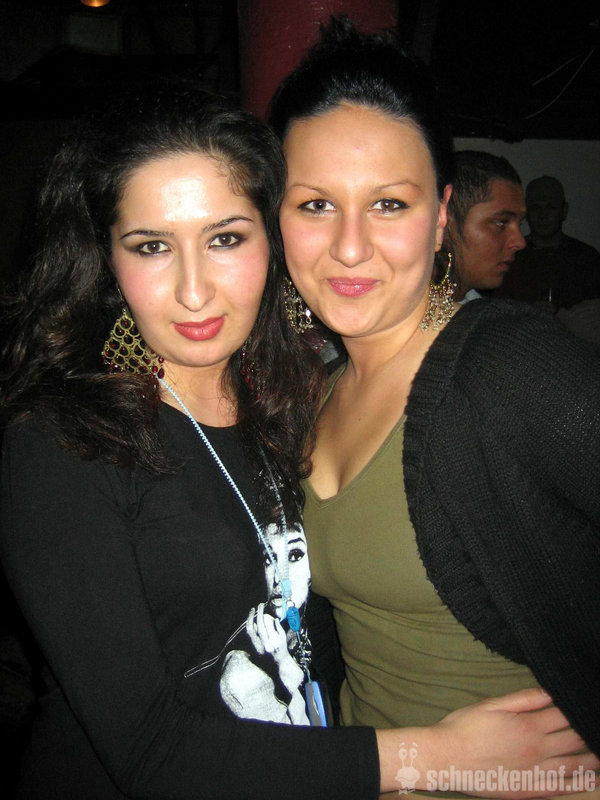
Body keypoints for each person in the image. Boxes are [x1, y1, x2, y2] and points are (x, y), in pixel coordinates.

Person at [0, 81, 582, 800]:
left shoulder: (286, 401)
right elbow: (147, 752)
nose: (193, 291)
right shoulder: (63, 440)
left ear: (270, 241)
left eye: (225, 239)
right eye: (151, 246)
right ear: (107, 261)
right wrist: (432, 757)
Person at [270, 16, 600, 779]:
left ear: (442, 213)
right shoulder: (317, 390)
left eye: (389, 204)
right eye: (315, 204)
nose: (350, 246)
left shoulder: (510, 366)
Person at [497, 174, 600, 309]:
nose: (543, 215)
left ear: (563, 211)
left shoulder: (585, 258)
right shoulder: (510, 258)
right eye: (536, 208)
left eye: (551, 207)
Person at [439, 150, 526, 302]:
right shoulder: (398, 310)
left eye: (520, 224)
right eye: (501, 223)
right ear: (444, 221)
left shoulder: (488, 314)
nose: (520, 242)